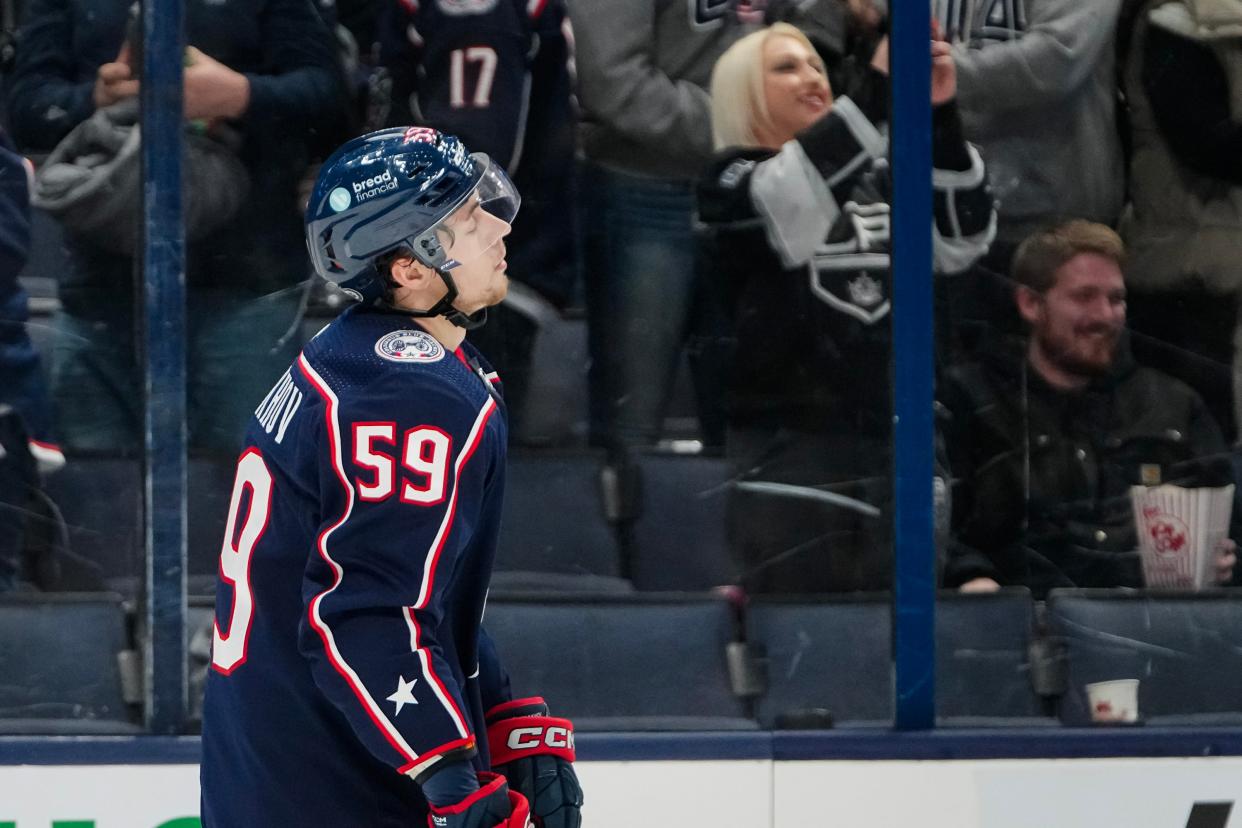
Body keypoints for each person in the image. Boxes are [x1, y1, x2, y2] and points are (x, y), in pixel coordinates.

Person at [199, 128, 582, 827]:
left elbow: (420, 589)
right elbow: (363, 614)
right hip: (334, 787)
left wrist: (494, 712)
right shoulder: (406, 397)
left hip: (286, 768)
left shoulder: (365, 359)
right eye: (469, 220)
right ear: (409, 267)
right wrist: (449, 773)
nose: (498, 228)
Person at [697, 23, 995, 593]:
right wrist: (879, 89)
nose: (811, 77)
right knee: (808, 652)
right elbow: (783, 200)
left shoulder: (886, 178)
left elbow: (963, 241)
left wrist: (938, 115)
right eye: (786, 67)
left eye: (816, 65)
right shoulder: (725, 182)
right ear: (742, 91)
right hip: (792, 455)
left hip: (903, 444)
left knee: (898, 657)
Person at [6, 0, 347, 455]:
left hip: (246, 284)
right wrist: (98, 99)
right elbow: (27, 106)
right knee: (93, 495)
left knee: (253, 483)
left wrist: (240, 95)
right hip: (99, 287)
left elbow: (331, 104)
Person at [941, 220, 1239, 599]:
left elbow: (1230, 524)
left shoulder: (1174, 405)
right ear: (1031, 303)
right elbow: (929, 525)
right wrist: (971, 579)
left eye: (1116, 299)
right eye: (1084, 297)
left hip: (1156, 630)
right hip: (1016, 630)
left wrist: (1227, 559)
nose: (1105, 316)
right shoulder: (967, 399)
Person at [376, 0, 576, 438]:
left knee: (474, 429)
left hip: (496, 253)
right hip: (463, 249)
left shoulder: (535, 13)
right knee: (440, 423)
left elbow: (552, 132)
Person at [1118, 0, 1242, 443]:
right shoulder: (1174, 23)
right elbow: (1205, 142)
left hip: (1211, 269)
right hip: (1193, 280)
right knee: (1199, 470)